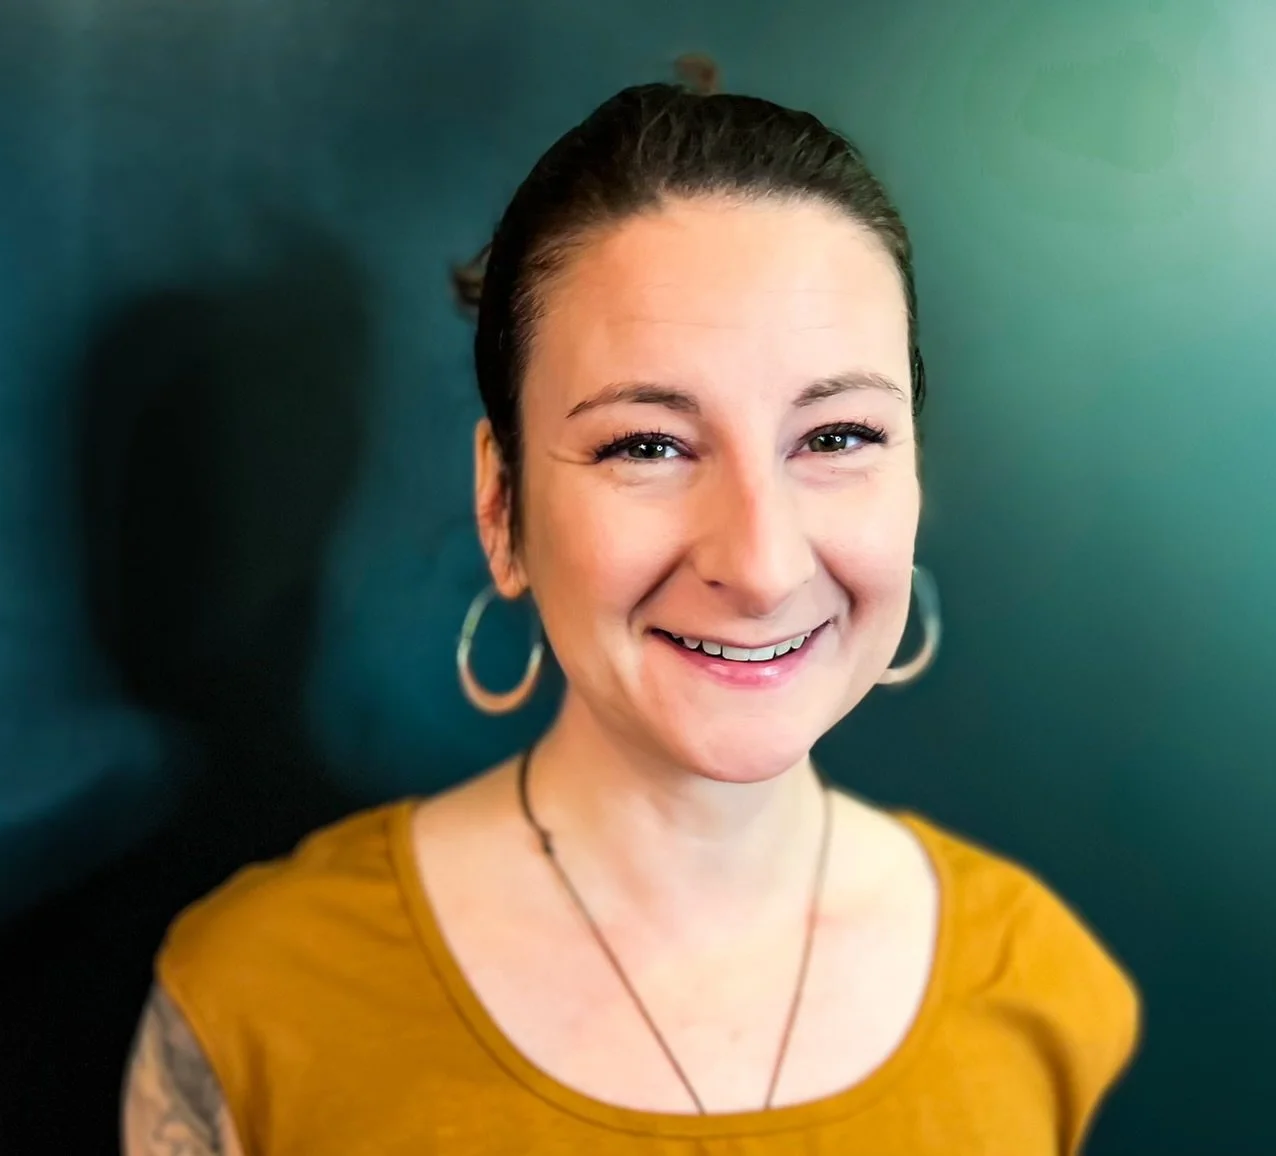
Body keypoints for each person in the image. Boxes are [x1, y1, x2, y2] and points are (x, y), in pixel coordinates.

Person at [122, 79, 1139, 1155]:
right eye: (645, 445)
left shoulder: (1039, 985)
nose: (759, 564)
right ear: (502, 506)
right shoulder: (252, 1003)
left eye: (836, 436)